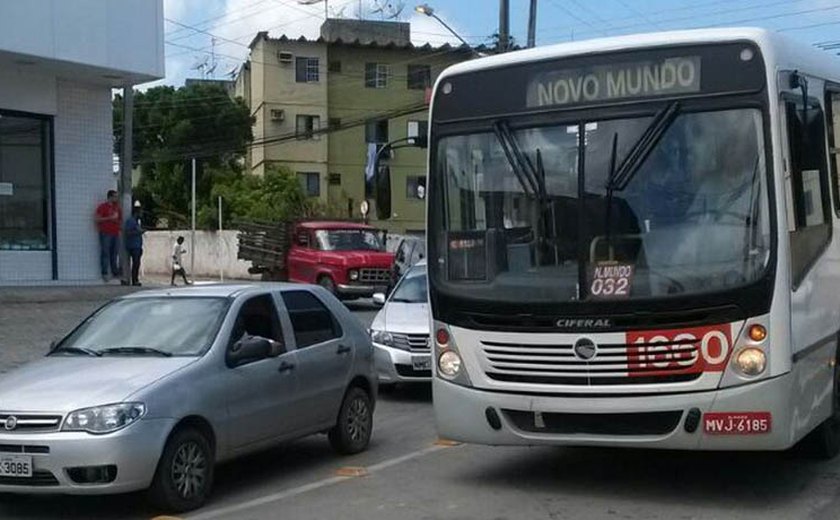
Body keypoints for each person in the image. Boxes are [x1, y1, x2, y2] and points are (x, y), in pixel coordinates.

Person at [94, 190, 122, 282]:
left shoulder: (117, 208)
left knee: (114, 253)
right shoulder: (103, 207)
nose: (116, 198)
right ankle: (105, 272)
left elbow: (120, 220)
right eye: (115, 196)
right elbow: (97, 219)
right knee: (105, 252)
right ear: (110, 197)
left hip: (115, 233)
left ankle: (115, 272)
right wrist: (109, 218)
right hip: (106, 232)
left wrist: (117, 224)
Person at [124, 201, 144, 286]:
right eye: (140, 212)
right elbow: (128, 233)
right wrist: (138, 232)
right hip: (133, 246)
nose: (141, 214)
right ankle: (134, 280)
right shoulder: (131, 221)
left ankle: (135, 279)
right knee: (135, 263)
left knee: (137, 263)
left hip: (138, 245)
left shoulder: (137, 222)